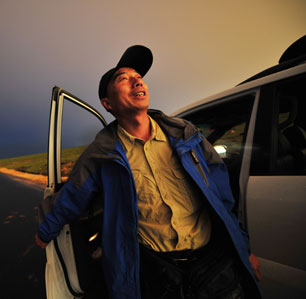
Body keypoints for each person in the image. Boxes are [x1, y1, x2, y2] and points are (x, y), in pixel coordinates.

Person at [35, 45, 262, 298]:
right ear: (107, 103)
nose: (137, 82)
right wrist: (46, 230)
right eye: (124, 79)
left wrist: (244, 248)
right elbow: (73, 197)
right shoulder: (101, 154)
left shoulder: (185, 134)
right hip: (158, 272)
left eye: (139, 78)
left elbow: (223, 198)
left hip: (214, 263)